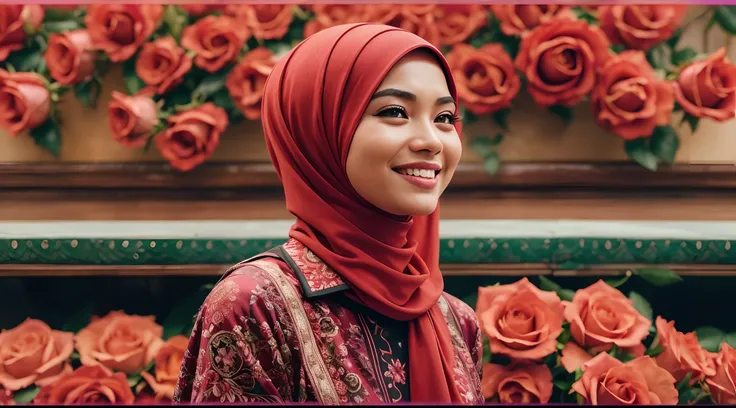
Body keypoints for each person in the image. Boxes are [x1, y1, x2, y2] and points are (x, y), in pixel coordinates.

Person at [173, 23, 483, 404]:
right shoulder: (255, 305)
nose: (432, 141)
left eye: (445, 118)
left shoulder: (457, 322)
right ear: (317, 128)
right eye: (395, 112)